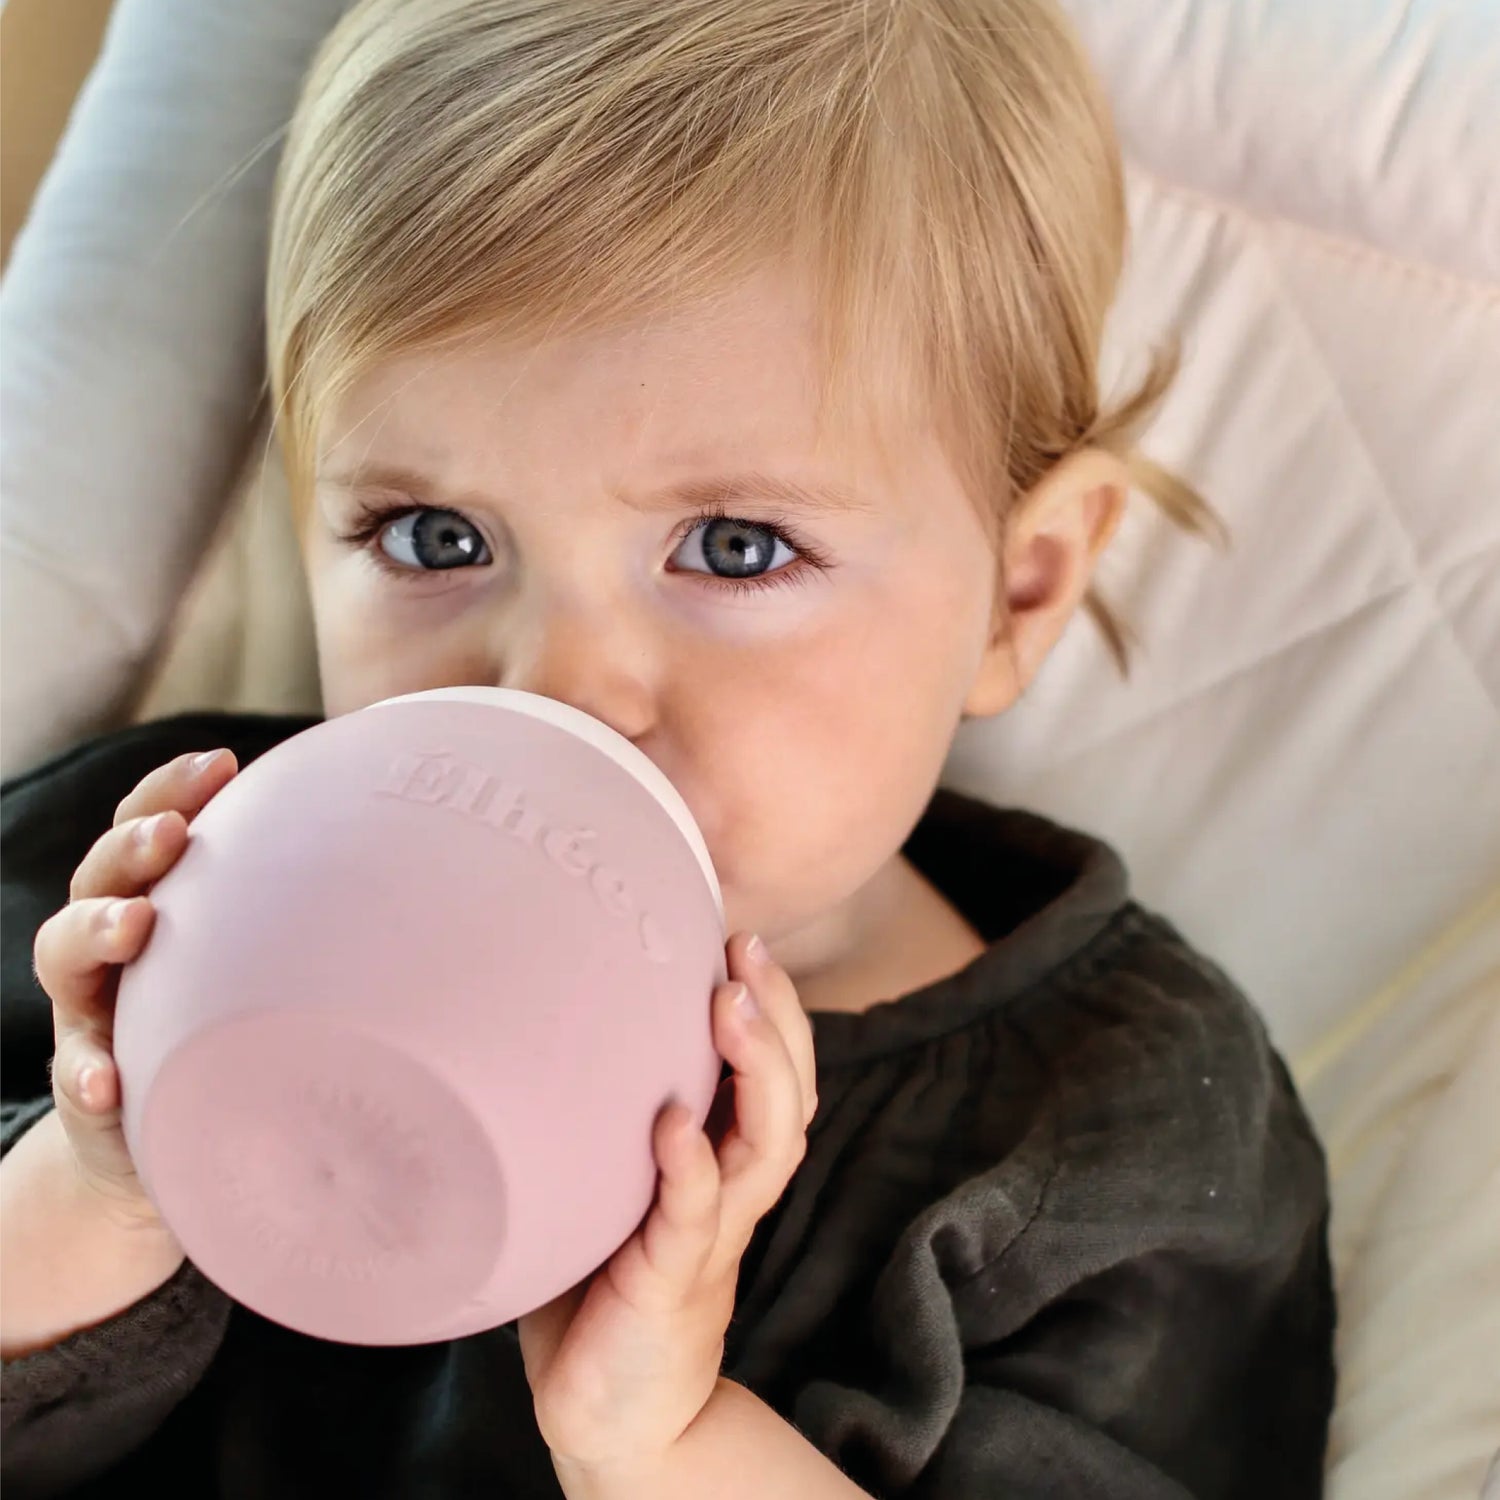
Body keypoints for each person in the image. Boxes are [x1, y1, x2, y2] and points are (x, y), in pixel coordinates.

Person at [0, 1, 1336, 1495]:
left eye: (735, 546)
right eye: (435, 537)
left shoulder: (1112, 1142)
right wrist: (96, 1187)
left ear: (1019, 590)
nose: (560, 690)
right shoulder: (144, 891)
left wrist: (664, 1445)